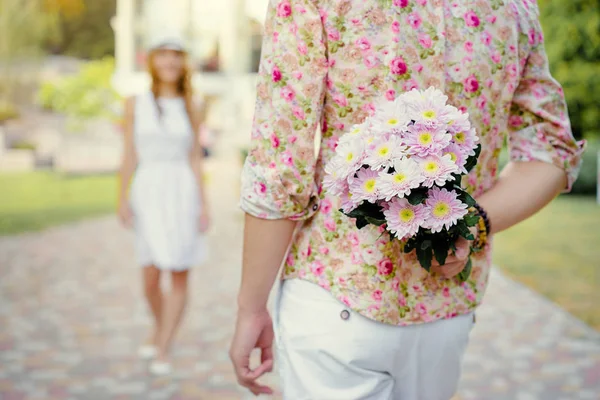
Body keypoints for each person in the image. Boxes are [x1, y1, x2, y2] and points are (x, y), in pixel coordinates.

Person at [230, 0, 585, 398]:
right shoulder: (513, 6)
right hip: (443, 313)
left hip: (336, 293)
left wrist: (251, 307)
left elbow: (280, 168)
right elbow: (551, 149)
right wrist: (472, 222)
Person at [117, 34, 210, 376]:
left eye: (176, 56)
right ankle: (160, 328)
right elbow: (128, 154)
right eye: (163, 55)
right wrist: (121, 198)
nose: (170, 62)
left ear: (183, 62)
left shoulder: (193, 104)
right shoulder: (134, 102)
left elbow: (196, 158)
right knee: (150, 277)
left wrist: (204, 204)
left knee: (179, 271)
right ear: (152, 61)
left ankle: (164, 345)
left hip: (181, 190)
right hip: (148, 189)